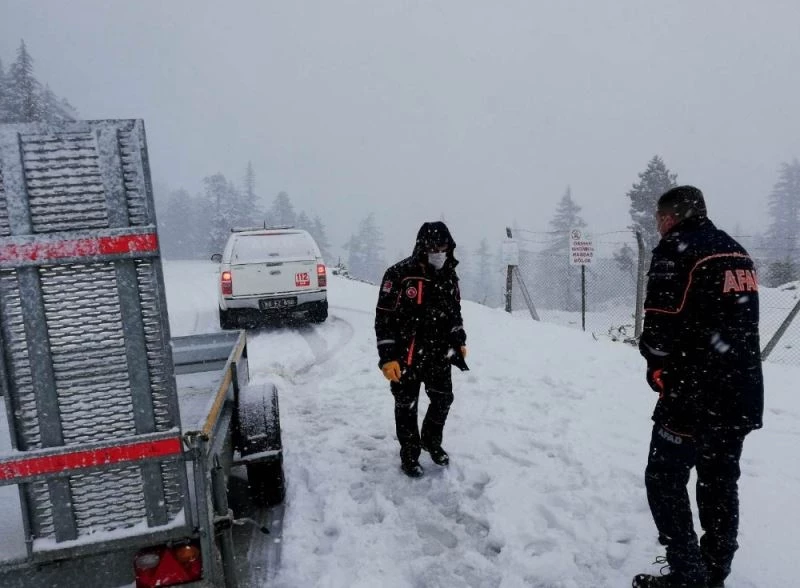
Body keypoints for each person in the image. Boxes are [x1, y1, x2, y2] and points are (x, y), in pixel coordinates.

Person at [633, 186, 764, 588]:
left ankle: (688, 573)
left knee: (664, 478)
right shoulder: (736, 252)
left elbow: (659, 330)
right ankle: (714, 570)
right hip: (741, 389)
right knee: (719, 481)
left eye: (659, 219)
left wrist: (656, 364)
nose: (658, 227)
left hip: (693, 391)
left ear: (670, 217)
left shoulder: (676, 251)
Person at [374, 221, 468, 478]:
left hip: (439, 353)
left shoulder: (449, 275)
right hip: (406, 356)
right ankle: (409, 454)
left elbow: (454, 312)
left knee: (443, 399)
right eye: (433, 247)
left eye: (443, 247)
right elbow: (383, 318)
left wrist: (459, 339)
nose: (439, 252)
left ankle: (431, 440)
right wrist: (387, 358)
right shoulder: (399, 274)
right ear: (422, 247)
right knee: (406, 405)